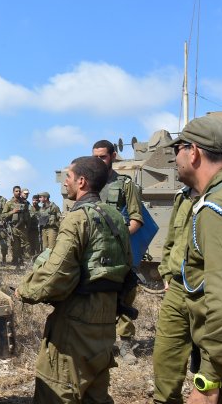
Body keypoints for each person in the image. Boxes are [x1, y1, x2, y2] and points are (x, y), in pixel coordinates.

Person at [15, 156, 131, 403]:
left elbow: (57, 274)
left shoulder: (78, 218)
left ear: (81, 181)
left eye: (68, 177)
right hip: (106, 319)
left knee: (57, 390)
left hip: (76, 321)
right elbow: (128, 269)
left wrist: (24, 291)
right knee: (95, 394)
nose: (64, 183)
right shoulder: (116, 217)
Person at [162, 117, 222, 404]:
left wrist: (207, 379)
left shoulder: (216, 206)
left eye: (178, 150)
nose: (175, 159)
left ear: (193, 152)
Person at [92, 139, 144, 364]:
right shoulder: (89, 183)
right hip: (93, 252)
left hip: (119, 251)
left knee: (125, 295)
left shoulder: (125, 184)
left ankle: (125, 343)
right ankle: (100, 342)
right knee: (94, 295)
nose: (98, 161)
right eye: (95, 156)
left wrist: (119, 239)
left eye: (102, 156)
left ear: (113, 156)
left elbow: (136, 219)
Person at [152, 183, 197, 403]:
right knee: (166, 356)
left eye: (178, 147)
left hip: (211, 289)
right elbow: (171, 240)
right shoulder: (183, 195)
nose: (175, 155)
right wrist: (167, 273)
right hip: (178, 287)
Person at [2, 185, 30, 266]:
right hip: (13, 227)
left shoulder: (25, 203)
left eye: (19, 191)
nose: (18, 192)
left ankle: (25, 260)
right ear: (13, 192)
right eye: (16, 191)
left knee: (26, 244)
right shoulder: (9, 203)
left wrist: (27, 225)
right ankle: (15, 261)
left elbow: (27, 215)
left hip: (23, 227)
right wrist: (12, 212)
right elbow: (3, 215)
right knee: (15, 246)